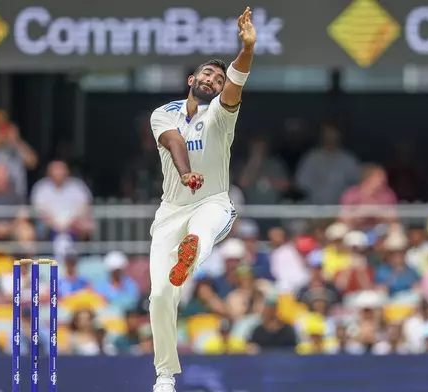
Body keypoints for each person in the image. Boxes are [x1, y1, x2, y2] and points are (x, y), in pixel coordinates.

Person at [147, 8, 256, 392]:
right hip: (170, 211)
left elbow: (238, 81)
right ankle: (165, 376)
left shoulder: (220, 116)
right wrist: (183, 172)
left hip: (212, 202)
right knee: (160, 294)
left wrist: (247, 48)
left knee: (204, 229)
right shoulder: (164, 113)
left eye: (219, 77)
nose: (213, 79)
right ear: (192, 80)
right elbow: (174, 140)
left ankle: (192, 253)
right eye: (207, 74)